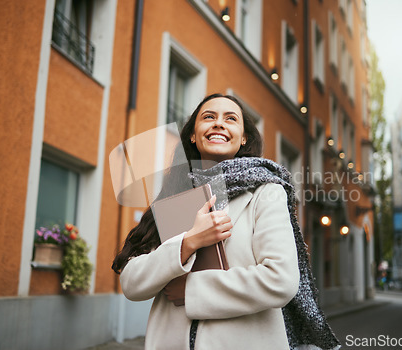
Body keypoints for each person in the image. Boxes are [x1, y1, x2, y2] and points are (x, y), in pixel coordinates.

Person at [112, 93, 340, 350]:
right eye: (208, 117)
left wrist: (191, 290)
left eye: (230, 119)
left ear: (243, 138)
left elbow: (281, 279)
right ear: (193, 135)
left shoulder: (266, 192)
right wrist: (188, 243)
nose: (219, 123)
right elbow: (131, 283)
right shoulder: (174, 195)